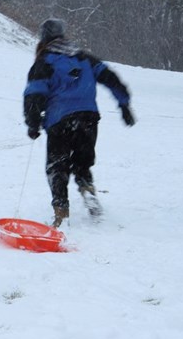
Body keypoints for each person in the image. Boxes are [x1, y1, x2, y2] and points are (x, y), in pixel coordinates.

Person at [23, 19, 135, 227]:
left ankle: (61, 211)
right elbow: (110, 77)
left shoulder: (44, 61)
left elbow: (34, 93)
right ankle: (87, 188)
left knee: (57, 166)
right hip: (88, 118)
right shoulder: (83, 57)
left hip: (60, 121)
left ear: (43, 37)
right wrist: (124, 104)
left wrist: (33, 122)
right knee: (82, 163)